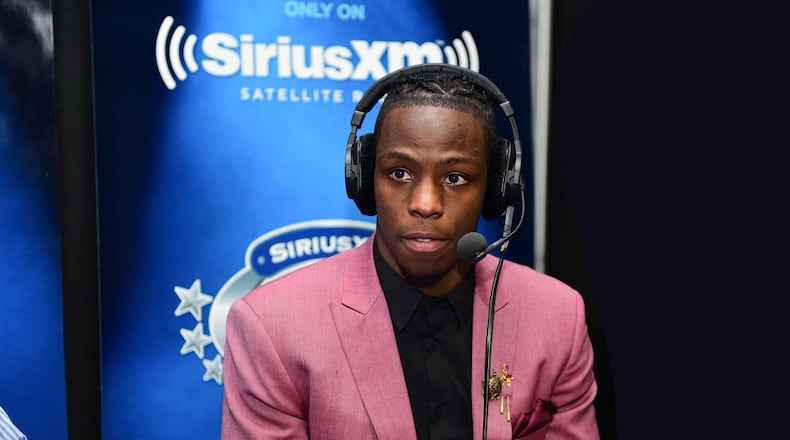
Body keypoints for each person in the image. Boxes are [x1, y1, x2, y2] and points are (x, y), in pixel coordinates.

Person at [222, 65, 599, 439]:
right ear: (365, 178)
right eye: (399, 173)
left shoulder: (558, 318)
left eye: (455, 178)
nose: (425, 203)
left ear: (497, 187)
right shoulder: (272, 326)